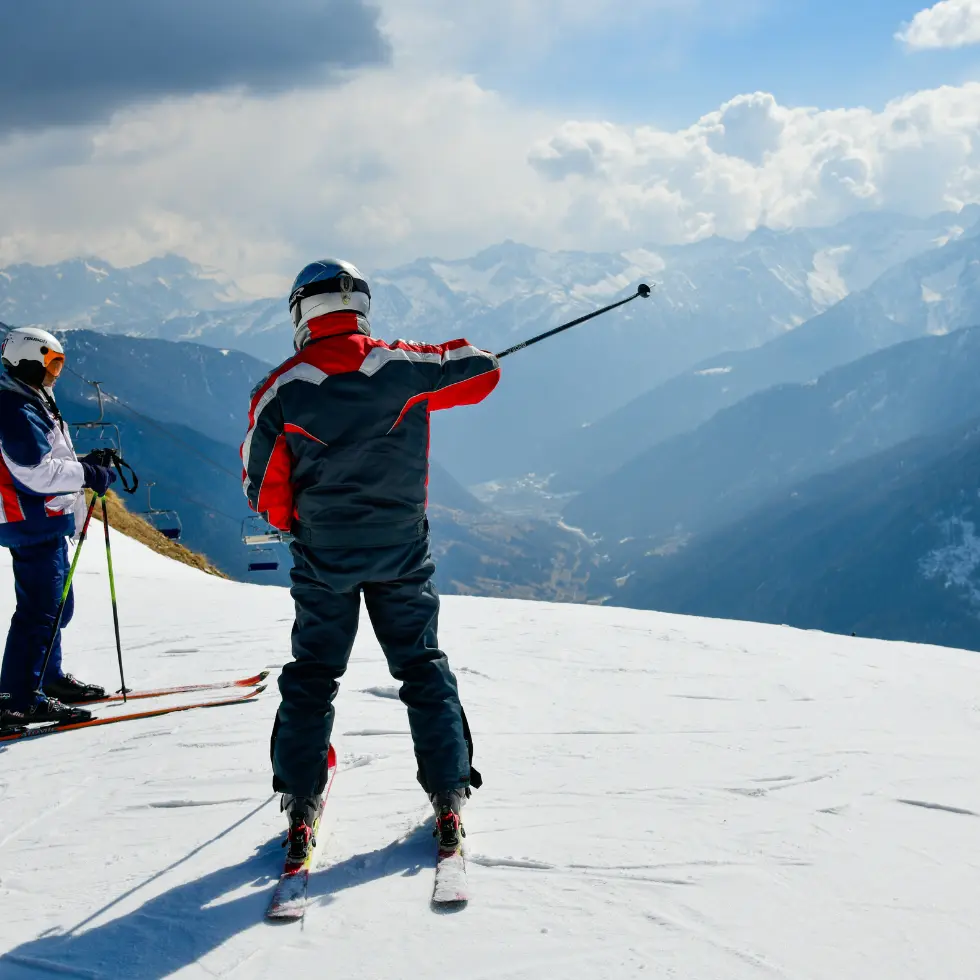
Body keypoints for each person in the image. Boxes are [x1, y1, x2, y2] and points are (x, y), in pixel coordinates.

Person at [241, 259, 500, 864]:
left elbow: (261, 490)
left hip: (324, 556)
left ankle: (300, 803)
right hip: (401, 548)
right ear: (360, 303)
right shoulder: (404, 366)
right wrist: (433, 359)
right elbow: (483, 369)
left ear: (301, 312)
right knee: (421, 666)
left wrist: (305, 525)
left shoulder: (282, 387)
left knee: (313, 675)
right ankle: (449, 796)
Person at [0, 327, 118, 730]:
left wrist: (87, 460)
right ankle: (17, 700)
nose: (57, 372)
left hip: (44, 518)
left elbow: (46, 459)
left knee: (54, 607)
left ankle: (46, 680)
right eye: (52, 363)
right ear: (29, 360)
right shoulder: (15, 408)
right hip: (32, 519)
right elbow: (33, 472)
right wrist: (86, 471)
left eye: (60, 363)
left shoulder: (31, 400)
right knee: (40, 610)